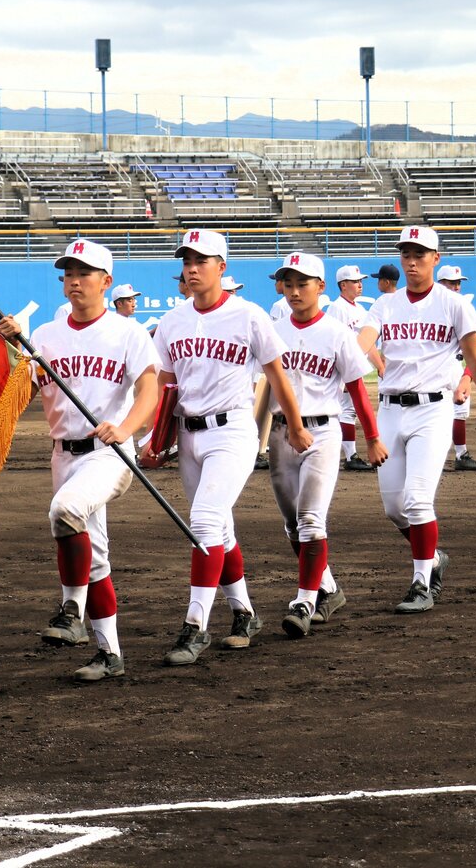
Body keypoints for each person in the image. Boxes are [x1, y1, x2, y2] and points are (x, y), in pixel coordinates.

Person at [0, 239, 159, 682]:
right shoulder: (46, 334)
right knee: (97, 559)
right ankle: (110, 654)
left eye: (83, 272)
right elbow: (26, 389)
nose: (73, 280)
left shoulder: (128, 332)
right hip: (63, 454)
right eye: (68, 273)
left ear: (106, 281)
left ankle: (71, 610)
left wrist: (125, 430)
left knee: (65, 511)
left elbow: (151, 391)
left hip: (110, 453)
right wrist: (15, 350)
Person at [147, 229, 311, 665]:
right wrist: (154, 436)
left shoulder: (249, 315)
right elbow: (164, 386)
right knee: (218, 528)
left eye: (202, 260)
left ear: (222, 267)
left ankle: (195, 625)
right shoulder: (171, 321)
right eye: (187, 261)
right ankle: (244, 613)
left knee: (203, 520)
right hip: (187, 434)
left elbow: (277, 376)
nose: (193, 268)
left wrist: (294, 425)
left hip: (233, 429)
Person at [357, 226, 476, 612]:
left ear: (435, 259)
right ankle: (434, 557)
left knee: (418, 500)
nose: (411, 260)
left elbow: (475, 359)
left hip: (433, 409)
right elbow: (363, 341)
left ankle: (422, 582)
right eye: (406, 253)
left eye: (420, 253)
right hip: (389, 408)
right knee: (394, 508)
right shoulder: (385, 305)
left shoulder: (454, 304)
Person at [266, 252, 385, 636]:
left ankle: (304, 601)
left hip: (323, 433)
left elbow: (357, 391)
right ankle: (328, 588)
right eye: (289, 283)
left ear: (320, 287)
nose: (295, 290)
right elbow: (259, 389)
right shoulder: (273, 330)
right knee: (290, 523)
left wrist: (372, 438)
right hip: (280, 434)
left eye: (303, 283)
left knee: (310, 519)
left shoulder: (336, 333)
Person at [327, 265, 380, 471]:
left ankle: (350, 455)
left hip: (355, 368)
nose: (360, 284)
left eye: (361, 280)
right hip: (343, 369)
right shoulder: (337, 308)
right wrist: (341, 375)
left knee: (349, 412)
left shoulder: (359, 309)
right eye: (355, 281)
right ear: (343, 285)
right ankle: (350, 457)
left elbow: (369, 341)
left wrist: (379, 365)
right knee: (345, 412)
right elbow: (333, 342)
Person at [438, 265, 476, 472]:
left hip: (457, 364)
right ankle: (457, 454)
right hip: (442, 366)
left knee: (459, 411)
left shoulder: (463, 306)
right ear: (441, 284)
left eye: (458, 283)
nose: (456, 287)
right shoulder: (438, 306)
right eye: (451, 283)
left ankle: (461, 453)